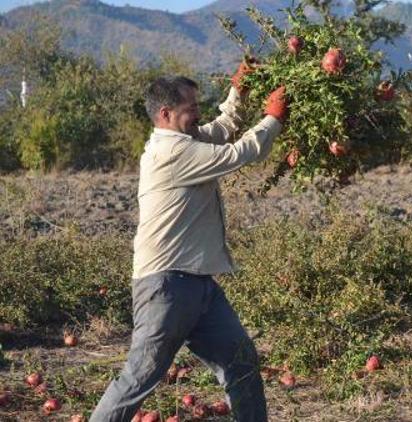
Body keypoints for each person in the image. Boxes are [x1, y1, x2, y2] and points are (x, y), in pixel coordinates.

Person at [90, 61, 287, 422]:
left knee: (240, 360)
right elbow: (238, 153)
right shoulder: (172, 152)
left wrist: (238, 93)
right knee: (140, 376)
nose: (198, 114)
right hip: (165, 286)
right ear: (165, 113)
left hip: (198, 284)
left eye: (197, 106)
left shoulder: (186, 140)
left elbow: (223, 129)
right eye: (190, 109)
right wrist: (273, 118)